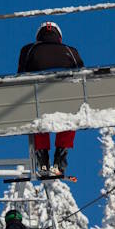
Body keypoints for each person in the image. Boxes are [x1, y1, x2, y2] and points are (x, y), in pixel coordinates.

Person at [18, 21, 85, 176]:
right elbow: (83, 78)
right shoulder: (71, 51)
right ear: (59, 37)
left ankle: (42, 157)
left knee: (37, 112)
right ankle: (61, 155)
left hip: (39, 101)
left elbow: (20, 77)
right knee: (72, 109)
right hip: (66, 101)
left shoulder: (29, 50)